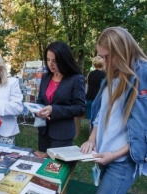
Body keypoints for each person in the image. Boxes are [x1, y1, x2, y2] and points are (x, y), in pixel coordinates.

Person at [81, 27, 147, 194]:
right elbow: (101, 115)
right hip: (104, 154)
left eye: (108, 57)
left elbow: (142, 128)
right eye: (102, 57)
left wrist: (115, 154)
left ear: (122, 50)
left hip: (122, 160)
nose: (105, 62)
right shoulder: (110, 77)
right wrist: (91, 139)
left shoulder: (143, 74)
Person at [35, 41, 86, 156]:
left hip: (62, 134)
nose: (50, 64)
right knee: (43, 168)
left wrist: (54, 110)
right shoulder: (46, 76)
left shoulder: (76, 79)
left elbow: (80, 108)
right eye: (48, 60)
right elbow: (40, 100)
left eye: (55, 61)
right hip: (43, 131)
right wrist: (37, 110)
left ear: (64, 59)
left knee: (56, 169)